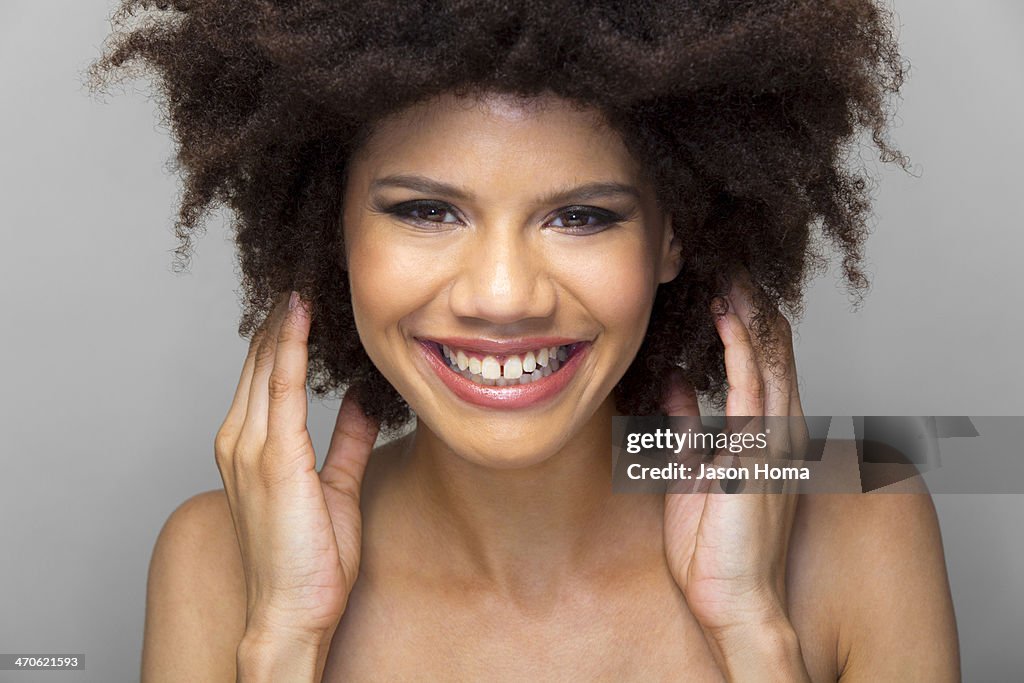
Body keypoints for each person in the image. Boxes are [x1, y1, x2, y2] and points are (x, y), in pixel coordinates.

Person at [91, 1, 960, 680]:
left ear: (674, 234)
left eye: (581, 215)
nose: (502, 297)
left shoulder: (861, 520)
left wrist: (755, 634)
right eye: (426, 210)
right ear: (333, 228)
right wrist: (284, 643)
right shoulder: (218, 567)